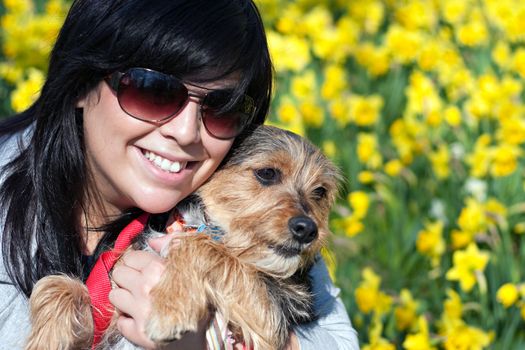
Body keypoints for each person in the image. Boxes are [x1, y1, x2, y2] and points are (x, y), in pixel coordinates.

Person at [0, 0, 359, 349]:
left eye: (223, 107)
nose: (186, 132)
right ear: (79, 83)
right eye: (152, 90)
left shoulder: (265, 234)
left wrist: (208, 341)